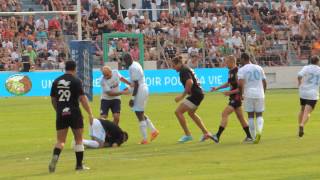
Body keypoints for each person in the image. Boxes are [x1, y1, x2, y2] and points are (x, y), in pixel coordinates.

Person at [48, 60, 94, 172]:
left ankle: (55, 157)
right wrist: (90, 113)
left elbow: (53, 100)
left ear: (65, 68)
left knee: (60, 141)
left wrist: (58, 110)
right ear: (75, 68)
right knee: (79, 139)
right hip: (74, 113)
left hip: (61, 113)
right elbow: (83, 99)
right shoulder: (76, 81)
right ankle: (79, 166)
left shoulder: (56, 81)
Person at [171, 56, 213, 143]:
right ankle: (206, 133)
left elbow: (190, 82)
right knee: (191, 113)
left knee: (178, 112)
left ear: (179, 63)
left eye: (174, 66)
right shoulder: (185, 69)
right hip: (198, 94)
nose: (173, 68)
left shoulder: (184, 70)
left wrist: (182, 96)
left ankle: (188, 135)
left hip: (196, 94)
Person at [211, 55, 252, 143]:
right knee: (240, 117)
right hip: (234, 96)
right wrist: (217, 88)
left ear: (232, 62)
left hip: (237, 97)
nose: (225, 63)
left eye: (226, 61)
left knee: (225, 113)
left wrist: (229, 92)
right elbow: (228, 83)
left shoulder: (238, 71)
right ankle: (249, 136)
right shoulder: (230, 71)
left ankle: (217, 136)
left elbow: (240, 88)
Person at [122, 53, 159, 144]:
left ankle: (145, 139)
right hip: (143, 88)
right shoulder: (135, 64)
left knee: (139, 113)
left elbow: (137, 84)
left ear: (129, 59)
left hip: (140, 90)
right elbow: (134, 83)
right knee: (140, 112)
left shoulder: (133, 68)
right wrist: (128, 87)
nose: (125, 63)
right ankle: (154, 131)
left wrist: (132, 98)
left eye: (126, 61)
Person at [238, 53, 267, 144]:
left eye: (240, 59)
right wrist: (263, 92)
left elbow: (240, 83)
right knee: (259, 115)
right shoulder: (259, 67)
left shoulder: (242, 70)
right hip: (260, 93)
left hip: (248, 94)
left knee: (250, 115)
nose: (240, 61)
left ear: (243, 59)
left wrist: (241, 94)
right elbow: (264, 82)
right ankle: (259, 132)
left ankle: (254, 137)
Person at [297, 56, 320, 137]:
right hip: (313, 93)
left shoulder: (306, 67)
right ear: (317, 62)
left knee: (302, 109)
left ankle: (299, 126)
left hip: (303, 91)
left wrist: (299, 82)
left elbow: (299, 75)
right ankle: (302, 125)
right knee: (307, 112)